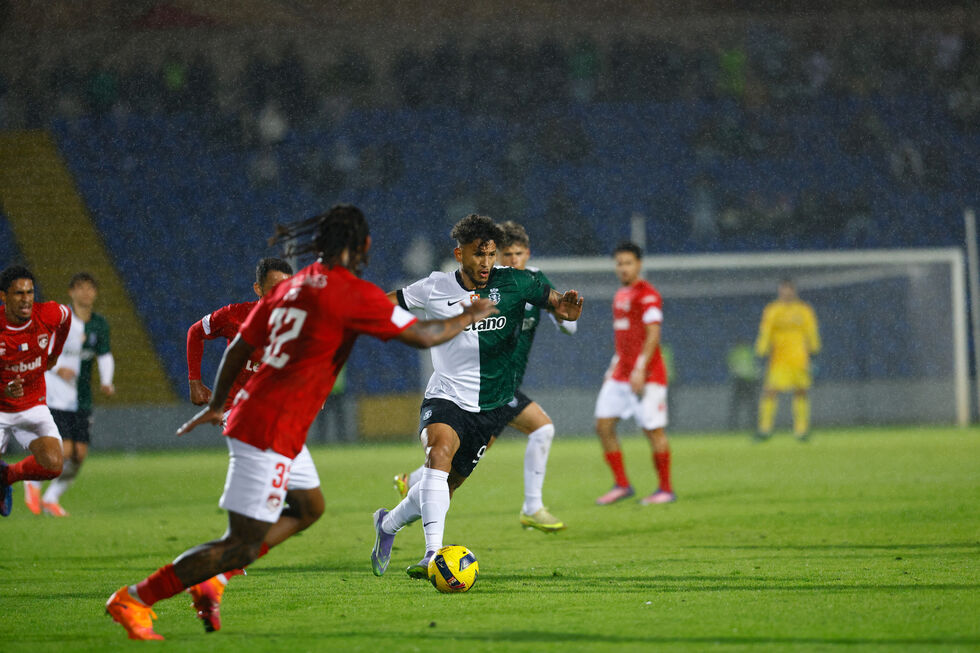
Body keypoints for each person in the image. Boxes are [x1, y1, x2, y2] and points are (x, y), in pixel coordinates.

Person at [104, 205, 498, 641]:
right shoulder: (351, 293)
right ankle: (137, 597)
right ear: (363, 247)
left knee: (310, 508)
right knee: (240, 543)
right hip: (268, 427)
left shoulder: (294, 286)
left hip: (268, 418)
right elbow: (423, 335)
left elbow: (242, 342)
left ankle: (214, 581)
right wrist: (469, 315)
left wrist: (219, 402)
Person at [371, 214, 583, 580]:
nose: (486, 263)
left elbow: (557, 303)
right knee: (437, 455)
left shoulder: (517, 283)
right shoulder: (435, 287)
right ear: (459, 254)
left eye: (491, 254)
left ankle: (387, 525)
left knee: (447, 486)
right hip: (446, 395)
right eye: (477, 254)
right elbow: (383, 305)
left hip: (491, 406)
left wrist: (565, 307)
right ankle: (432, 555)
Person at [182, 256, 296, 633]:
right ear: (259, 290)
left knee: (290, 498)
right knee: (276, 487)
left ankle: (221, 559)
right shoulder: (235, 316)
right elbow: (195, 332)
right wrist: (195, 380)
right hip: (239, 411)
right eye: (274, 288)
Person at [25, 273, 115, 517]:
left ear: (95, 293)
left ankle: (51, 498)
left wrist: (107, 381)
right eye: (80, 288)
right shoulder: (60, 319)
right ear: (71, 292)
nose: (86, 292)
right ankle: (31, 482)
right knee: (63, 450)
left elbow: (104, 355)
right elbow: (39, 349)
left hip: (82, 397)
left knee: (79, 454)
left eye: (90, 288)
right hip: (55, 395)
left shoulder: (99, 324)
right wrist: (56, 367)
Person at [593, 242, 675, 506]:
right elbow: (624, 341)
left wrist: (640, 368)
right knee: (603, 425)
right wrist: (613, 367)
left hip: (648, 374)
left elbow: (653, 334)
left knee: (652, 430)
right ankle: (622, 485)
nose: (623, 268)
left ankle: (665, 489)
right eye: (619, 263)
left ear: (639, 264)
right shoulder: (620, 295)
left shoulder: (648, 294)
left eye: (628, 263)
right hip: (620, 373)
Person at [0, 265, 71, 517]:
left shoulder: (48, 314)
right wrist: (4, 389)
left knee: (53, 465)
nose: (26, 299)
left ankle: (6, 475)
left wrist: (55, 354)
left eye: (30, 292)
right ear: (3, 296)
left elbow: (66, 316)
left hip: (32, 405)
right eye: (18, 293)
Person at [754, 279, 821, 441]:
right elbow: (766, 331)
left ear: (794, 291)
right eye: (783, 290)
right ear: (779, 291)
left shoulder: (804, 310)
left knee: (801, 391)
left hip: (799, 358)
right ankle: (765, 430)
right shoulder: (772, 310)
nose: (786, 293)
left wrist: (815, 348)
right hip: (779, 358)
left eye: (789, 290)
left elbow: (811, 330)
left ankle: (801, 431)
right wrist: (761, 349)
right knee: (770, 391)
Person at [726, 340, 760, 431]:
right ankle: (754, 425)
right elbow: (755, 365)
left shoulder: (734, 352)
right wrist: (757, 378)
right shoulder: (749, 351)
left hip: (740, 380)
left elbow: (731, 366)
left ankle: (733, 426)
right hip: (749, 380)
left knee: (737, 404)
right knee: (751, 404)